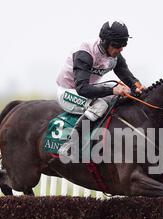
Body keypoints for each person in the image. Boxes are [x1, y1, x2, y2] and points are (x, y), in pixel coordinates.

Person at [56, 20, 145, 157]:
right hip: (68, 92)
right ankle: (69, 143)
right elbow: (83, 89)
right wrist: (113, 90)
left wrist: (137, 87)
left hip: (86, 89)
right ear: (105, 42)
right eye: (117, 45)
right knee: (101, 105)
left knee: (120, 92)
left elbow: (126, 74)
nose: (121, 49)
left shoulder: (114, 55)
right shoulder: (85, 53)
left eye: (123, 45)